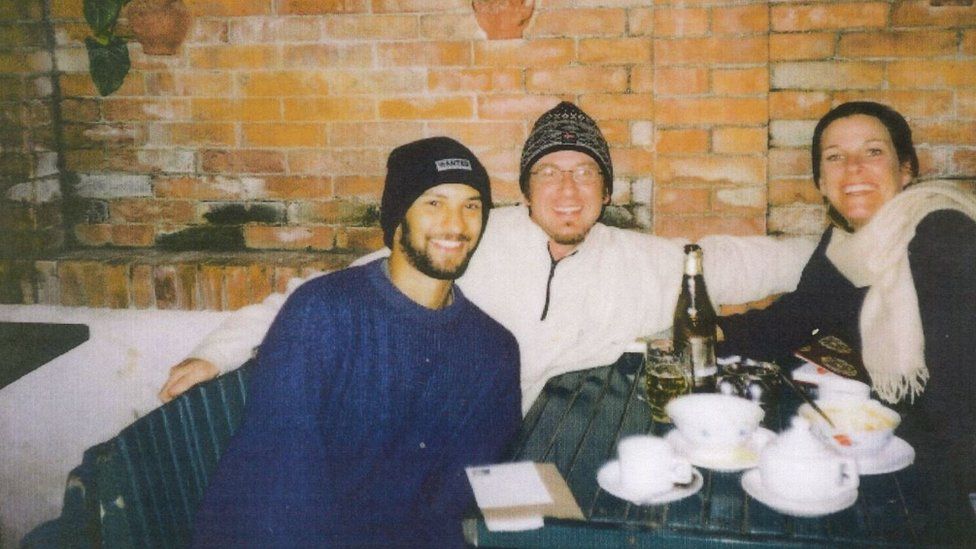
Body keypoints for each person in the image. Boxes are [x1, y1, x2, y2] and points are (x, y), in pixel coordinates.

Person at [162, 102, 817, 412]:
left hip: (548, 448)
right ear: (525, 191)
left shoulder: (640, 262)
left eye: (585, 173)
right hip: (443, 446)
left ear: (607, 192)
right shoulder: (466, 240)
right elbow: (319, 297)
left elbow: (747, 261)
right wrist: (212, 353)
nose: (567, 187)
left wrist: (866, 246)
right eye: (550, 172)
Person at [191, 137, 521, 547]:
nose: (456, 224)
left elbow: (455, 500)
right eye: (434, 203)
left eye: (471, 205)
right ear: (398, 215)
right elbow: (278, 486)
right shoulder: (323, 314)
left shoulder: (493, 351)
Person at [716, 101, 976, 545]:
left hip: (947, 478)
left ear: (906, 170)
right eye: (834, 157)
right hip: (886, 449)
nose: (853, 167)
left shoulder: (944, 234)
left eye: (873, 152)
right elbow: (798, 315)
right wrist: (711, 332)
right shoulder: (847, 244)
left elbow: (956, 411)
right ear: (821, 180)